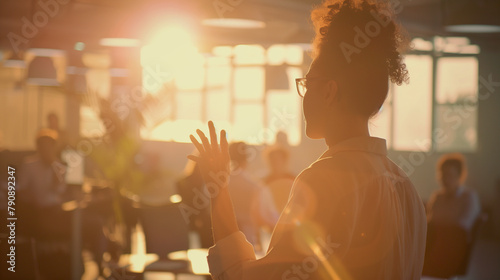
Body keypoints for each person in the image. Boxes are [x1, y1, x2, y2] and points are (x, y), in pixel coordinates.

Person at [187, 0, 427, 279]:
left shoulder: (324, 179)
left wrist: (218, 185)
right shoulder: (407, 191)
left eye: (306, 83)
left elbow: (241, 276)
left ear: (328, 92)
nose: (303, 95)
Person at [227, 142, 280, 252]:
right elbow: (268, 217)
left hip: (222, 239)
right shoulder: (254, 186)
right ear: (246, 159)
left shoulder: (218, 184)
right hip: (248, 239)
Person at [426, 153, 481, 231]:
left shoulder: (469, 197)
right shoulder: (437, 197)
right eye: (443, 175)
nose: (445, 180)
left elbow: (463, 225)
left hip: (457, 240)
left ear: (459, 176)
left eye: (450, 175)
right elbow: (430, 222)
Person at [262, 144, 296, 213]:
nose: (274, 162)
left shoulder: (294, 180)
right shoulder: (264, 182)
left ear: (285, 161)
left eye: (277, 159)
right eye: (272, 159)